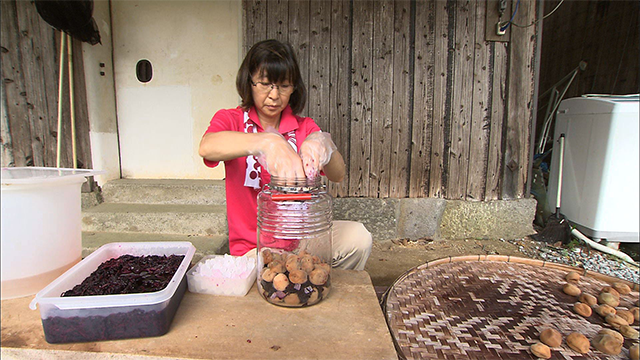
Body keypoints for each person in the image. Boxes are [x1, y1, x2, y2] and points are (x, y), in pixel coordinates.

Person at [199, 39, 372, 270]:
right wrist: (267, 141)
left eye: (283, 86)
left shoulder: (304, 126)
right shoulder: (232, 120)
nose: (274, 95)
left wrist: (325, 146)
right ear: (249, 82)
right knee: (267, 279)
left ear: (294, 88)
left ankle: (317, 285)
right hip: (254, 249)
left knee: (358, 237)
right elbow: (207, 146)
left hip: (303, 240)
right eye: (264, 84)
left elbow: (338, 174)